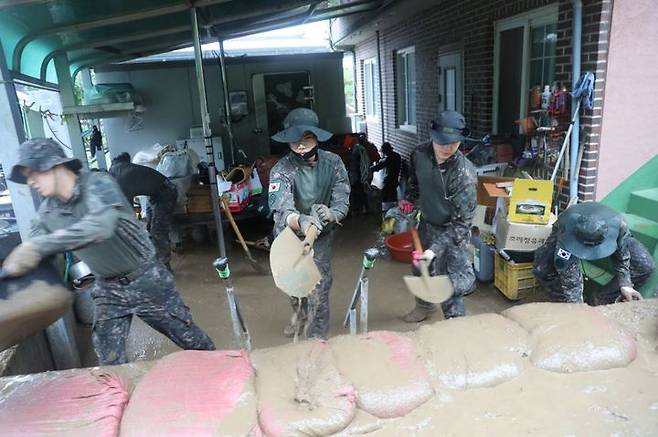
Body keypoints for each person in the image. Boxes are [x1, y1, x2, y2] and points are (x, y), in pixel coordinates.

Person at [3, 138, 214, 365]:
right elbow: (32, 253)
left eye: (35, 172)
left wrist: (37, 247)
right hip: (107, 289)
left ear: (55, 166)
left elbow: (100, 226)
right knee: (108, 358)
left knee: (192, 341)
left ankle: (227, 379)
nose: (31, 181)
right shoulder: (46, 214)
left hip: (147, 279)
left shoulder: (99, 184)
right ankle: (124, 397)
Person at [268, 108, 350, 339]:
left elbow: (342, 198)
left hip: (320, 235)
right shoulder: (282, 169)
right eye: (295, 140)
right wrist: (300, 221)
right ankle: (300, 315)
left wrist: (333, 213)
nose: (301, 145)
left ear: (316, 137)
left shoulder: (334, 163)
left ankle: (317, 338)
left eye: (306, 138)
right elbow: (282, 208)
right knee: (294, 283)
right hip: (290, 236)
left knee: (319, 287)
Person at [400, 110, 477, 323]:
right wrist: (409, 199)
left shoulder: (464, 176)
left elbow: (461, 225)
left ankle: (454, 325)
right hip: (427, 223)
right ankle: (424, 307)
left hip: (452, 231)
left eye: (453, 143)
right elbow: (415, 183)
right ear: (432, 135)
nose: (447, 148)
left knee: (449, 284)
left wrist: (434, 250)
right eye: (442, 141)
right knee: (419, 267)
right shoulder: (418, 154)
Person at [533, 201, 655, 304]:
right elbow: (568, 272)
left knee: (645, 265)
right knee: (541, 268)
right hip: (569, 232)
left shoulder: (619, 226)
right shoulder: (566, 229)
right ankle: (563, 301)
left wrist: (626, 285)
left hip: (608, 232)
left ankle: (601, 299)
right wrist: (576, 305)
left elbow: (622, 256)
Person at [109, 152, 177, 268]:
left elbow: (127, 212)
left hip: (166, 193)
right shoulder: (119, 169)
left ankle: (164, 266)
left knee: (158, 230)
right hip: (157, 194)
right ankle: (155, 260)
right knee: (150, 227)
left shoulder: (119, 178)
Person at [370, 142, 402, 208]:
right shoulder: (397, 155)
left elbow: (380, 166)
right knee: (392, 196)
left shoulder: (389, 158)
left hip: (390, 180)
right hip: (394, 180)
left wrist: (370, 169)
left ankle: (387, 210)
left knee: (385, 197)